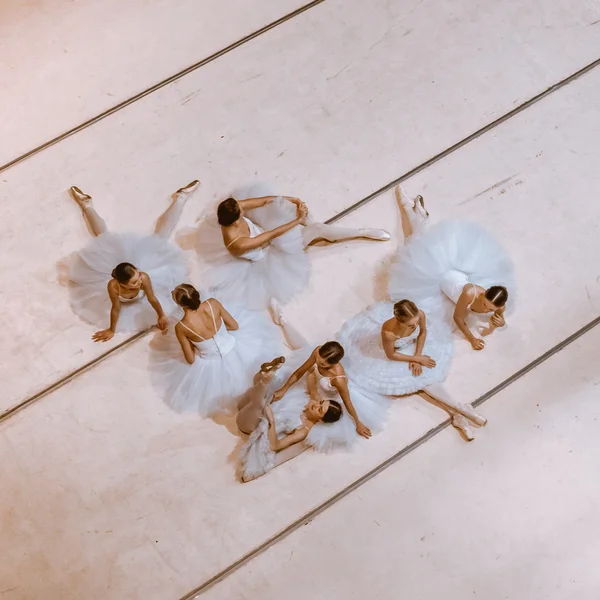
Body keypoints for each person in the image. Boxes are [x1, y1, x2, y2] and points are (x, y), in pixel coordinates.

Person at [196, 183, 391, 310]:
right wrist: (298, 219)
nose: (242, 208)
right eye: (240, 211)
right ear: (235, 220)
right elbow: (270, 235)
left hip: (266, 234)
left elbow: (264, 200)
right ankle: (360, 232)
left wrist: (292, 200)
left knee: (287, 213)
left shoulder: (235, 210)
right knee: (317, 229)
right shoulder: (237, 243)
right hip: (268, 252)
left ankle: (315, 227)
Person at [67, 181, 199, 341]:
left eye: (137, 279)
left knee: (160, 237)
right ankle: (86, 205)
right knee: (103, 238)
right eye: (134, 283)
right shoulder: (113, 286)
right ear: (121, 284)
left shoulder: (144, 277)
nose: (139, 283)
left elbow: (152, 298)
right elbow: (116, 308)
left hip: (131, 272)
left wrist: (161, 315)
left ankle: (181, 198)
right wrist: (111, 329)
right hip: (118, 278)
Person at [338, 299, 487, 441]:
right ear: (399, 321)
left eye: (416, 321)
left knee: (421, 380)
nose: (415, 325)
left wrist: (418, 355)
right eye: (411, 325)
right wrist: (415, 360)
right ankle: (461, 410)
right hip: (394, 355)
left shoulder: (420, 314)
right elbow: (391, 355)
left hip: (415, 348)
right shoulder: (388, 331)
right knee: (420, 381)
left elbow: (422, 333)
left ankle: (458, 414)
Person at [388, 186, 514, 350]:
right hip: (438, 276)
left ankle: (419, 215)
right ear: (484, 294)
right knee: (414, 243)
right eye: (485, 304)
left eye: (490, 309)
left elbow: (499, 314)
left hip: (449, 274)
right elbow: (458, 317)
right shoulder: (470, 294)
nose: (485, 309)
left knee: (420, 241)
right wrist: (472, 339)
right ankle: (408, 209)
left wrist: (501, 320)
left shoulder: (500, 306)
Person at [267, 300, 389, 449]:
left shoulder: (339, 380)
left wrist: (358, 422)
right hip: (315, 383)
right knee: (301, 350)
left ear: (332, 364)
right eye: (318, 360)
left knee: (302, 411)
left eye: (323, 364)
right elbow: (300, 371)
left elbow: (348, 402)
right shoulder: (318, 352)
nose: (318, 363)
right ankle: (282, 320)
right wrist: (284, 389)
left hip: (328, 396)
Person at [149, 284, 285, 417]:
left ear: (182, 305)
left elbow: (190, 359)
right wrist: (220, 333)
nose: (172, 291)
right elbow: (234, 325)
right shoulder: (213, 303)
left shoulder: (182, 327)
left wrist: (199, 344)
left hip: (210, 361)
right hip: (234, 347)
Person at [237, 357, 343, 482]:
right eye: (321, 403)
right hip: (247, 406)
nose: (316, 405)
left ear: (321, 420)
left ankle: (264, 380)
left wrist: (271, 421)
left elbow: (275, 446)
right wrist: (316, 368)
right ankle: (265, 377)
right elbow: (310, 374)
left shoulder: (303, 430)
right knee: (257, 392)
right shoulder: (314, 399)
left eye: (320, 410)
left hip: (251, 423)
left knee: (258, 404)